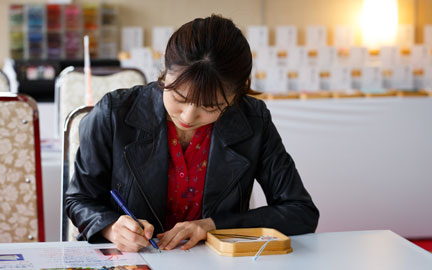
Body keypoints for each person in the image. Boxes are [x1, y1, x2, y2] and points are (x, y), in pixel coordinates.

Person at [65, 14, 319, 252]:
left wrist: (213, 225)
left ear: (235, 96)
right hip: (136, 259)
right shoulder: (113, 113)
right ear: (165, 70)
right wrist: (110, 226)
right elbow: (79, 199)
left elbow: (300, 212)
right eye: (178, 97)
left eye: (210, 107)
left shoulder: (253, 120)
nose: (188, 116)